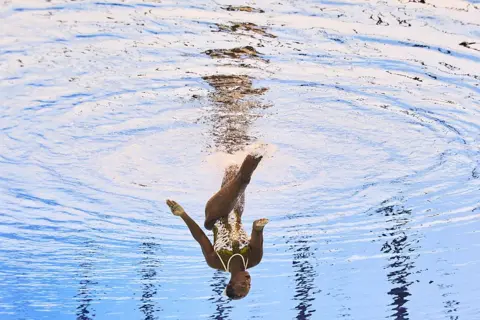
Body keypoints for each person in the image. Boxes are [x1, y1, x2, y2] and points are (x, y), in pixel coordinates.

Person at [166, 153, 268, 300]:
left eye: (243, 285)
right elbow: (257, 233)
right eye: (249, 285)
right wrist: (258, 227)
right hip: (237, 209)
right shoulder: (254, 259)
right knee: (232, 167)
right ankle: (233, 143)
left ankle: (258, 151)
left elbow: (201, 237)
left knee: (242, 180)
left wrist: (183, 214)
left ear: (231, 283)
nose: (248, 281)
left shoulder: (215, 261)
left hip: (214, 215)